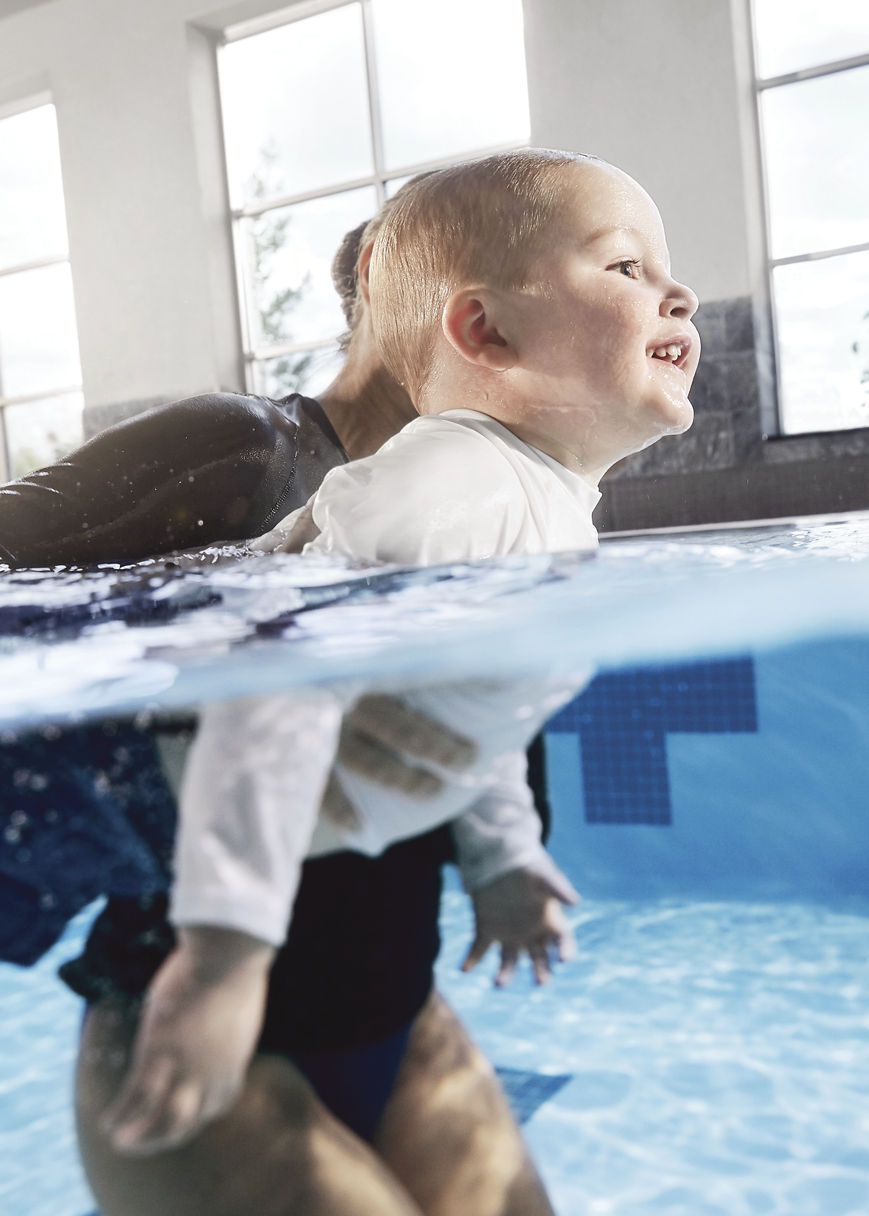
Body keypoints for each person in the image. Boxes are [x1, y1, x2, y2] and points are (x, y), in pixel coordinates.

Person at [99, 147, 701, 1169]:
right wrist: (223, 954)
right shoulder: (454, 482)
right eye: (623, 267)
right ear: (484, 330)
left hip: (279, 852)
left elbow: (472, 703)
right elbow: (278, 676)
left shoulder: (535, 503)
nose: (677, 291)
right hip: (147, 783)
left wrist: (499, 853)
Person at [1, 182, 571, 1214]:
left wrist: (503, 860)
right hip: (188, 1020)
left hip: (397, 1010)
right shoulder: (246, 455)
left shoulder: (495, 503)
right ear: (376, 285)